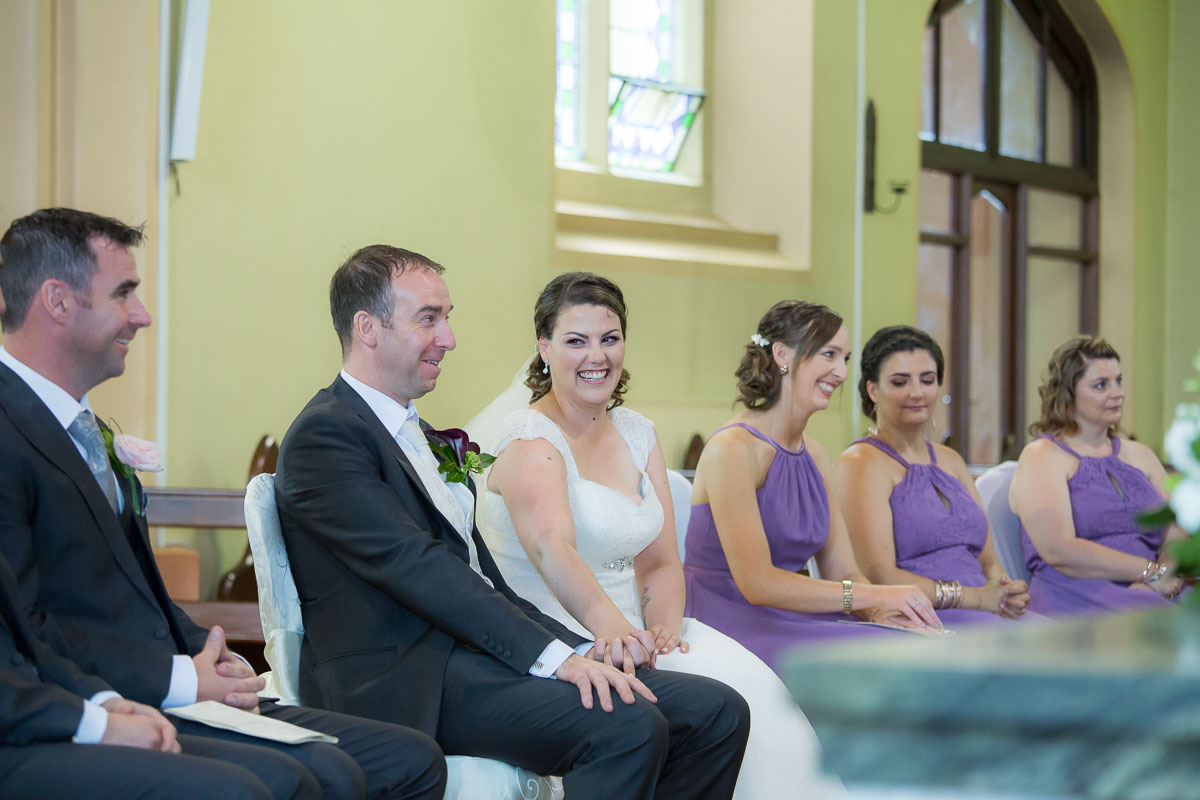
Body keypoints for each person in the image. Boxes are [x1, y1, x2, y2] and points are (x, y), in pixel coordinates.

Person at [0, 208, 447, 800]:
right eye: (124, 293)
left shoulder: (75, 426)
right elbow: (32, 625)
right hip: (74, 699)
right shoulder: (10, 430)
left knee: (408, 759)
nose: (143, 314)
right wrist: (176, 680)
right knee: (292, 780)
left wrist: (210, 655)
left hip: (144, 679)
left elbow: (129, 594)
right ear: (57, 301)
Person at [274, 246, 750, 799]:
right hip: (403, 678)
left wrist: (574, 647)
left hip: (472, 654)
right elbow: (419, 569)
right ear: (368, 328)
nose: (448, 337)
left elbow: (482, 577)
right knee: (626, 725)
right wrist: (556, 660)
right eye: (429, 318)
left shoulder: (421, 436)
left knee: (716, 712)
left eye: (446, 318)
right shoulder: (326, 435)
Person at [475, 272, 842, 799]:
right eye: (576, 341)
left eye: (610, 338)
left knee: (756, 696)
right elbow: (551, 548)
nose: (596, 355)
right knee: (715, 706)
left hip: (643, 630)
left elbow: (661, 561)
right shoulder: (531, 440)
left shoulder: (636, 432)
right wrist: (617, 633)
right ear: (544, 349)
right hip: (561, 633)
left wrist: (664, 632)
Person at [682, 301, 944, 671]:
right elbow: (757, 584)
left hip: (791, 616)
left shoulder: (817, 457)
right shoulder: (733, 449)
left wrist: (880, 612)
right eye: (829, 354)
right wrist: (876, 593)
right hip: (728, 619)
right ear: (782, 355)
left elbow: (843, 570)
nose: (840, 372)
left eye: (845, 358)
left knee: (918, 650)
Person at [0, 550, 330, 800]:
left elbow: (27, 639)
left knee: (326, 771)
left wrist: (106, 701)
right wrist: (93, 721)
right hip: (26, 723)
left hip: (64, 696)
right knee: (254, 787)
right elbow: (37, 628)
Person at [835, 326, 1030, 625]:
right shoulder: (861, 462)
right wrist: (973, 598)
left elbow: (989, 561)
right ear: (873, 389)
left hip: (986, 610)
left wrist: (1006, 589)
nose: (917, 392)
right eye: (900, 382)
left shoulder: (951, 460)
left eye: (927, 380)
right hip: (922, 615)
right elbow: (879, 575)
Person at [1009, 335, 1187, 615]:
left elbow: (1176, 530)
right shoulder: (1042, 456)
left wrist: (1164, 574)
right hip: (1076, 593)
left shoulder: (1139, 454)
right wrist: (1149, 571)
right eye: (1101, 385)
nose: (1117, 393)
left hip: (1152, 588)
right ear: (1068, 394)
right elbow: (1059, 549)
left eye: (1119, 381)